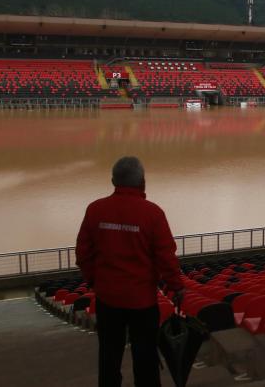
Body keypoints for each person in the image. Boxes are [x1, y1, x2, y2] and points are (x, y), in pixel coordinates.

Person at [76, 156, 184, 387]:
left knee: (108, 356)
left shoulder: (95, 210)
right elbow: (166, 256)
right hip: (142, 302)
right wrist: (177, 286)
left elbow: (82, 253)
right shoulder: (153, 214)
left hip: (107, 299)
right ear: (143, 183)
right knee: (145, 358)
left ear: (113, 180)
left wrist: (94, 281)